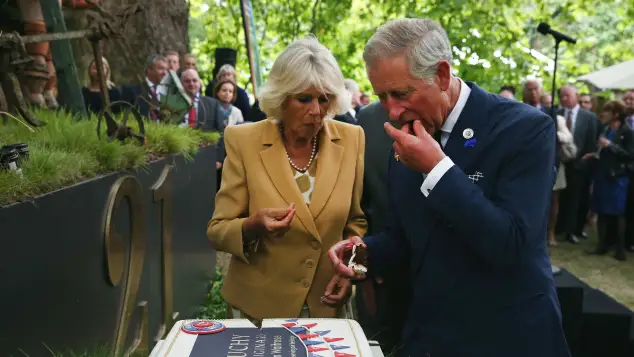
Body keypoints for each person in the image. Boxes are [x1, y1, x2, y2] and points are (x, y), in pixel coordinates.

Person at [327, 18, 570, 357]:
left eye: (400, 93)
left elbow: (510, 243)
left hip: (507, 338)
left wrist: (437, 168)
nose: (393, 110)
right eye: (382, 96)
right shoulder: (407, 134)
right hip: (432, 337)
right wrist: (366, 252)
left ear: (441, 75)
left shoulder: (525, 130)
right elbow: (405, 236)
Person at [207, 36, 367, 323]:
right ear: (281, 98)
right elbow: (218, 229)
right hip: (258, 307)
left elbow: (356, 223)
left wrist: (350, 270)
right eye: (304, 99)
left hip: (326, 305)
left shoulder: (352, 139)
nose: (316, 110)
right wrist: (252, 226)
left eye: (324, 98)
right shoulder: (244, 140)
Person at [584, 100, 634, 261]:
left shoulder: (627, 132)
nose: (602, 114)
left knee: (618, 213)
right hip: (603, 175)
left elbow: (629, 155)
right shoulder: (606, 129)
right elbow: (603, 151)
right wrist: (594, 154)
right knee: (601, 210)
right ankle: (601, 246)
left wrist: (610, 145)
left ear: (616, 114)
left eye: (606, 111)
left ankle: (620, 249)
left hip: (617, 178)